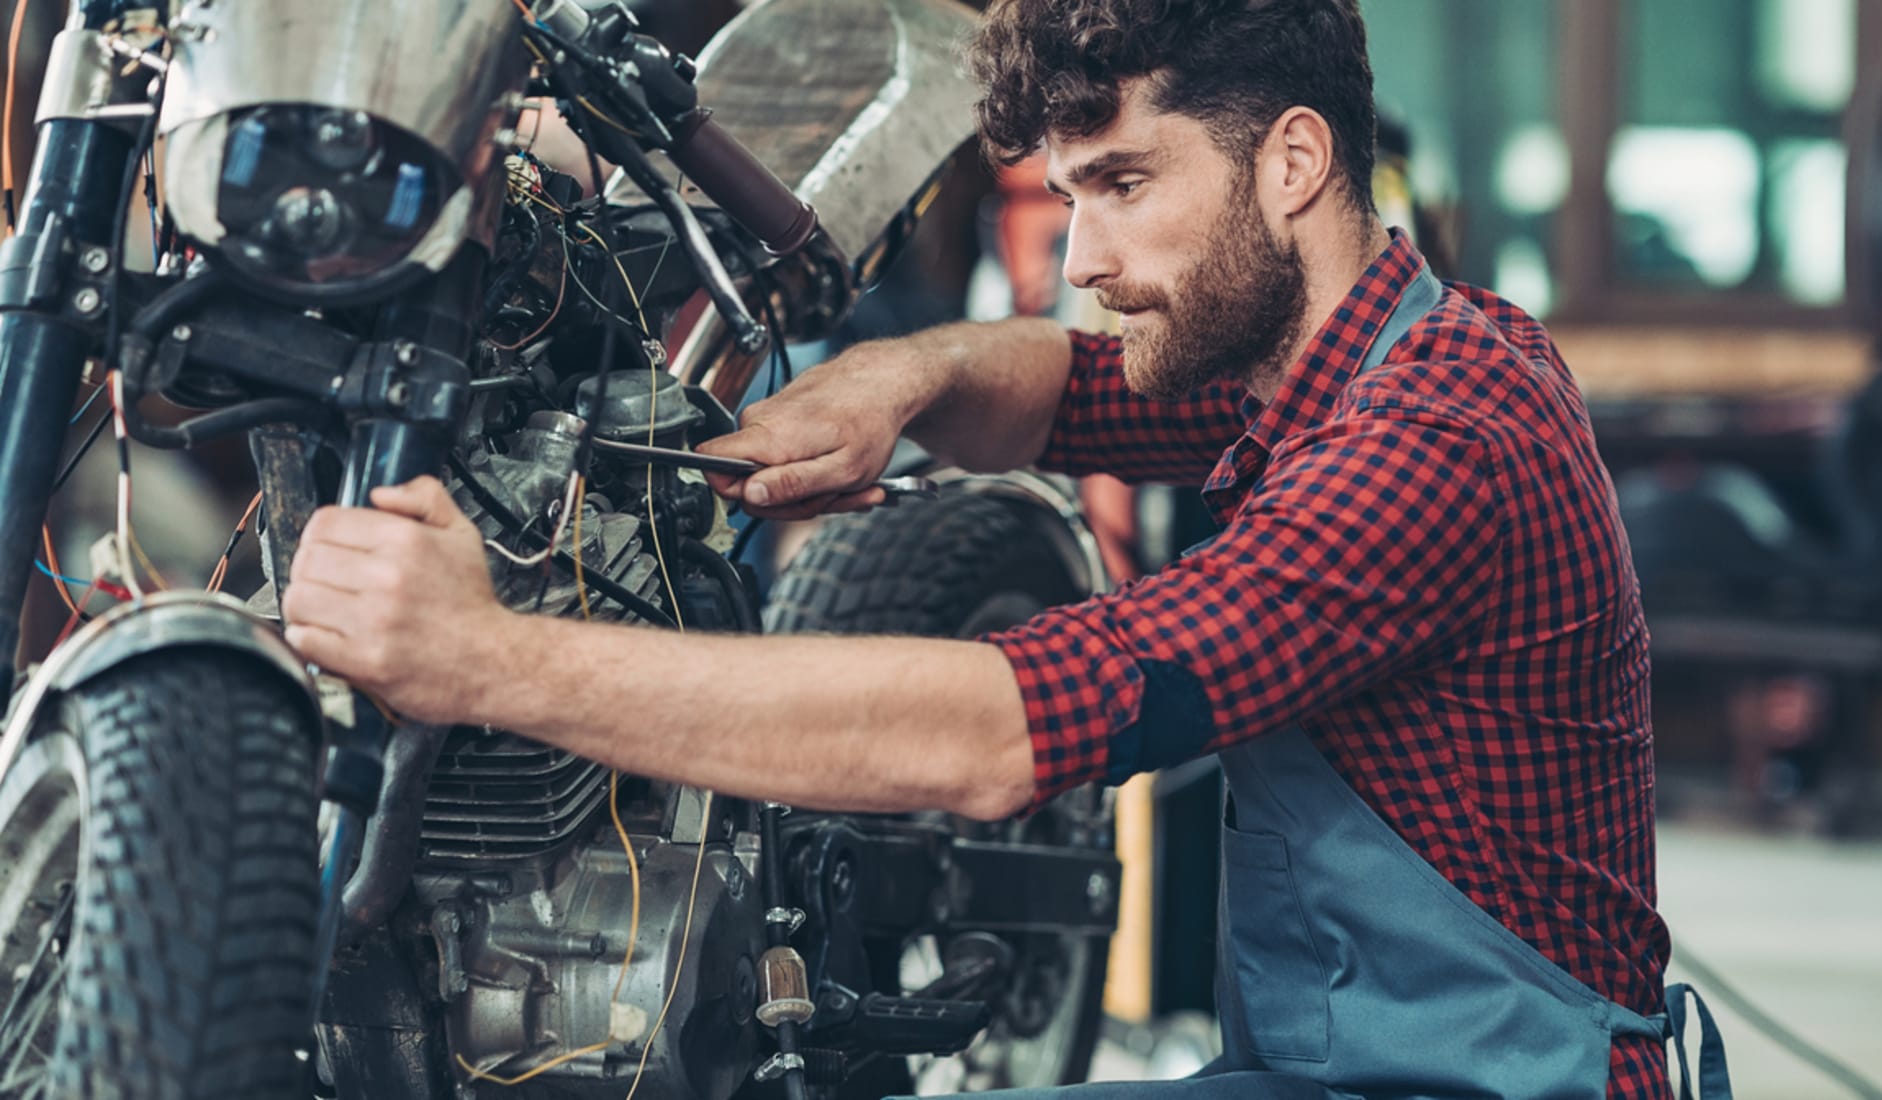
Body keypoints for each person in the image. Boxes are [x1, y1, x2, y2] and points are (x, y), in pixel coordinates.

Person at [283, 2, 1724, 1096]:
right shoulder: (1324, 352)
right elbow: (1072, 383)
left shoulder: (1438, 437)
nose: (1084, 258)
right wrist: (900, 378)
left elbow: (1006, 730)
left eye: (1125, 185)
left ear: (1294, 160)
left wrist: (487, 656)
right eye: (1071, 195)